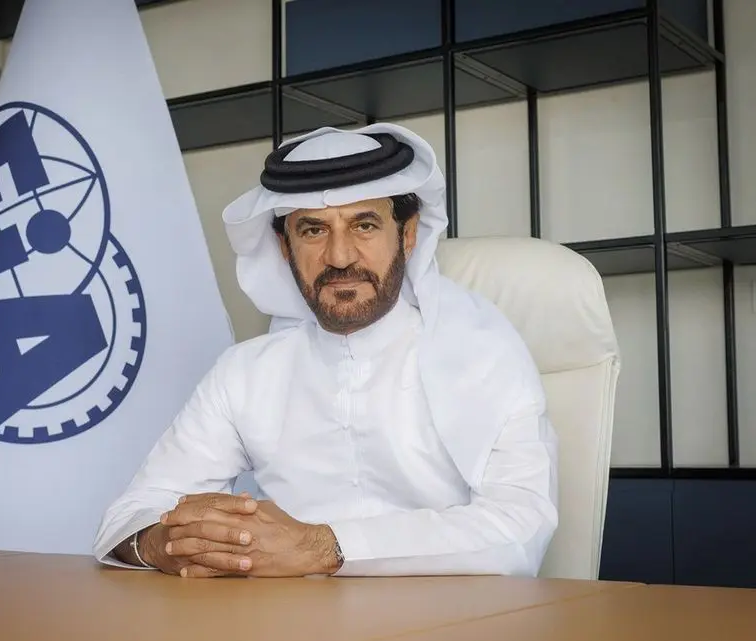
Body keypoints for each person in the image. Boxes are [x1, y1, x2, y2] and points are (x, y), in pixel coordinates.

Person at [92, 123, 558, 579]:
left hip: (451, 620)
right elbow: (130, 515)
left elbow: (521, 528)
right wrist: (165, 544)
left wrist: (322, 547)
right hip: (286, 622)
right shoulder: (246, 373)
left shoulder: (482, 353)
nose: (339, 257)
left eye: (364, 225)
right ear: (284, 246)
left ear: (408, 233)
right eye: (314, 231)